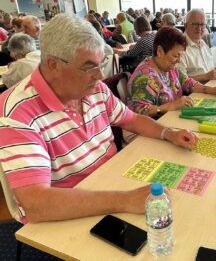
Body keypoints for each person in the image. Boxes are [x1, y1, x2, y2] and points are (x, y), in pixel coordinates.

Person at [0, 14, 198, 223]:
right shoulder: (16, 113)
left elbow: (131, 119)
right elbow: (36, 204)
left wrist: (169, 133)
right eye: (88, 67)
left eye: (101, 63)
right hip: (69, 211)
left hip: (112, 183)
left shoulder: (95, 90)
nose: (100, 76)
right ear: (54, 65)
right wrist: (126, 200)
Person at [127, 27, 216, 117]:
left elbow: (187, 82)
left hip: (170, 120)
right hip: (147, 131)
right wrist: (172, 105)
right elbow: (140, 112)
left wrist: (211, 90)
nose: (179, 60)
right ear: (160, 52)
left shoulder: (169, 67)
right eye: (176, 55)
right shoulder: (145, 78)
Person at [178, 9, 216, 82]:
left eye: (202, 24)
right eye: (195, 24)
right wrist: (205, 76)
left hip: (211, 84)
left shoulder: (202, 43)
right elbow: (179, 80)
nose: (199, 28)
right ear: (186, 26)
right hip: (196, 91)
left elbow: (207, 68)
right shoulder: (179, 48)